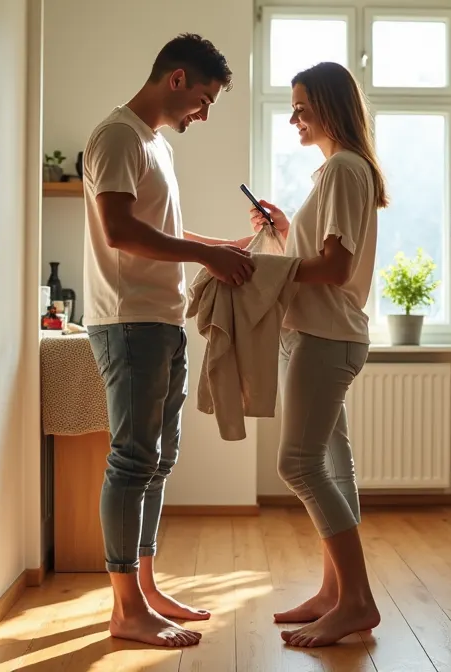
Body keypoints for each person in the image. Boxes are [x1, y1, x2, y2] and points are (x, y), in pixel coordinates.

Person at [82, 33, 257, 648]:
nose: (203, 115)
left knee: (158, 461)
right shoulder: (118, 136)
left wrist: (225, 247)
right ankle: (126, 608)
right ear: (177, 79)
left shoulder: (155, 145)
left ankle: (148, 590)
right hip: (129, 322)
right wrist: (205, 254)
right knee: (133, 460)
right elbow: (121, 229)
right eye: (204, 100)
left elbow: (166, 229)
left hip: (162, 319)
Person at [247, 61, 388, 648]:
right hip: (328, 331)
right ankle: (335, 593)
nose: (293, 117)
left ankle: (355, 599)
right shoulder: (340, 172)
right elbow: (322, 256)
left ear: (329, 107)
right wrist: (284, 233)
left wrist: (263, 267)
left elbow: (334, 268)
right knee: (332, 463)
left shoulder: (342, 171)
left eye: (302, 106)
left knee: (297, 464)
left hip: (325, 335)